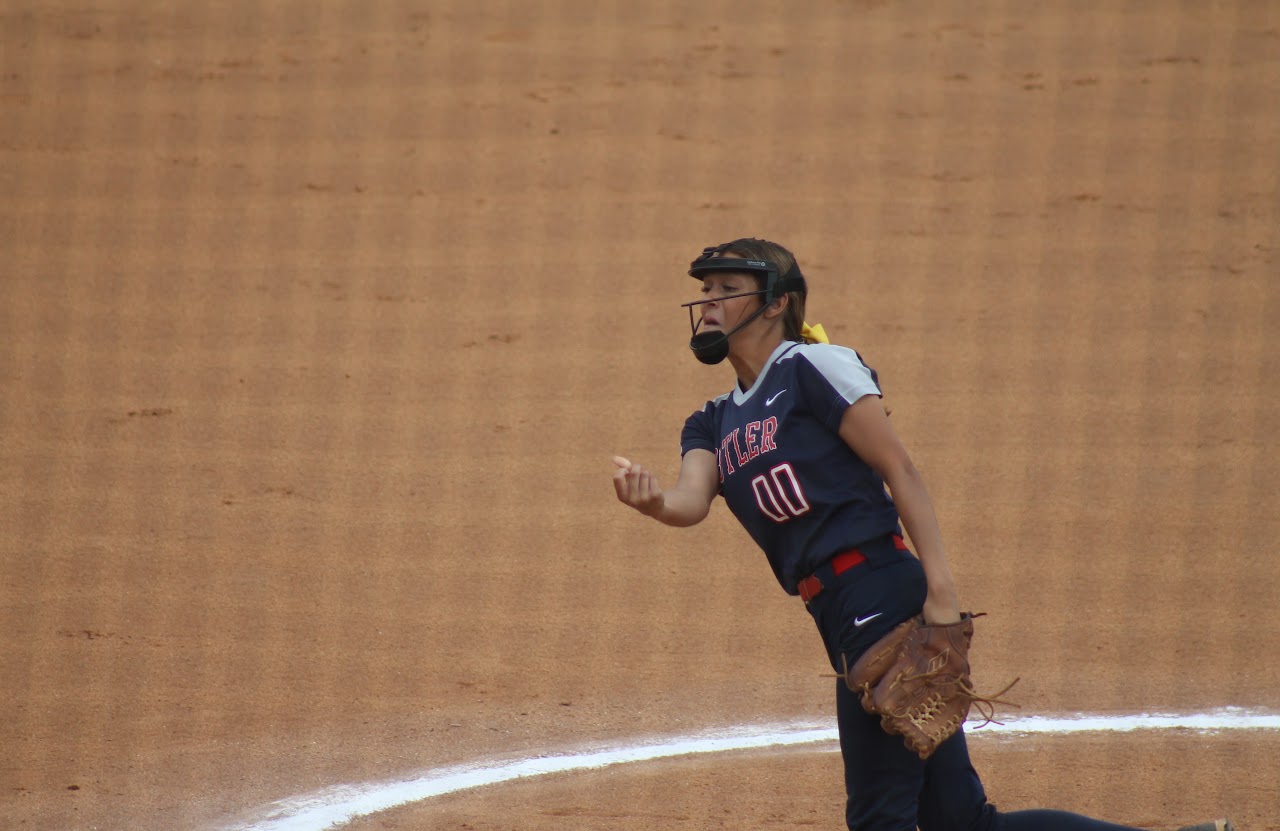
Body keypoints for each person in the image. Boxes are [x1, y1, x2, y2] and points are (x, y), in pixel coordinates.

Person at [610, 237, 1234, 831]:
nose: (709, 300)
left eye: (727, 287)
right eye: (705, 289)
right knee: (960, 823)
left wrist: (941, 589)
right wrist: (653, 501)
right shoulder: (712, 419)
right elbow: (690, 501)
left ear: (777, 303)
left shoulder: (815, 368)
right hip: (832, 610)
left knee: (878, 817)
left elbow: (898, 469)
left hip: (881, 592)